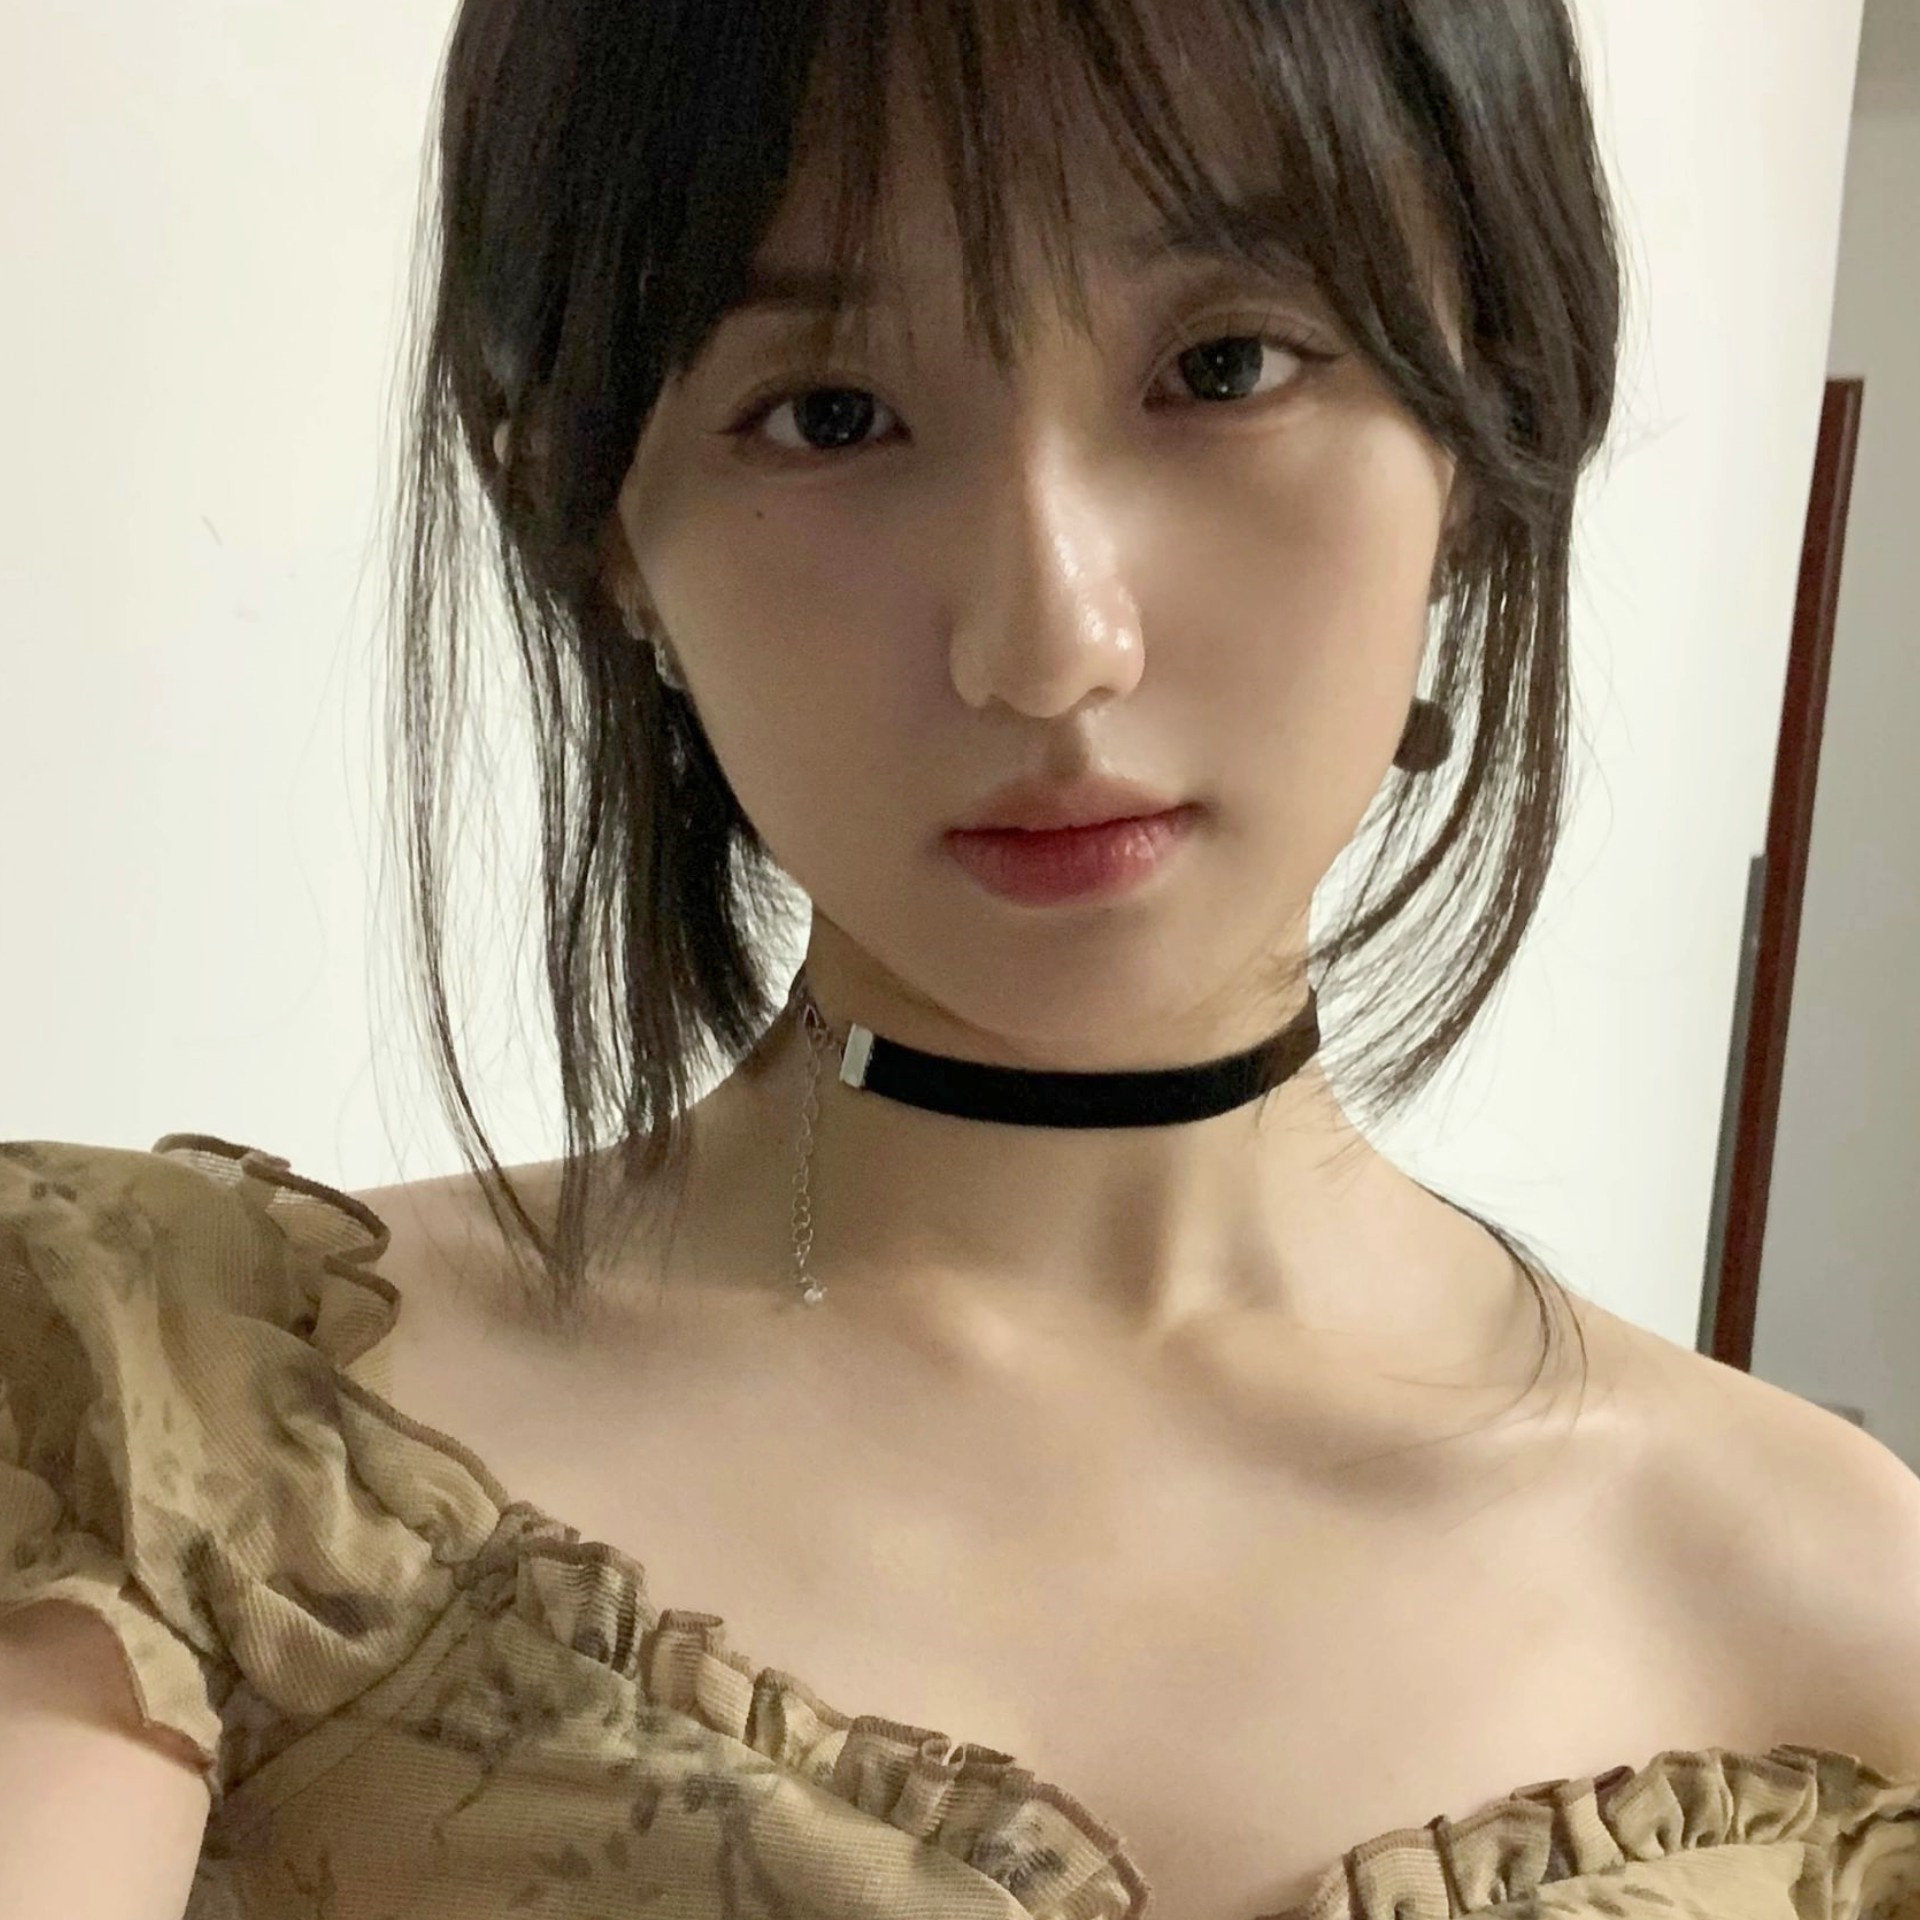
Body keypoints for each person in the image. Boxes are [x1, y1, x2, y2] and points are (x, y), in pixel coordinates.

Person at [6, 2, 1920, 1917]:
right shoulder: (176, 1423)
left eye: (1225, 366)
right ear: (595, 529)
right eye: (828, 414)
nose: (1048, 643)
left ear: (1485, 427)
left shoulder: (1837, 1611)